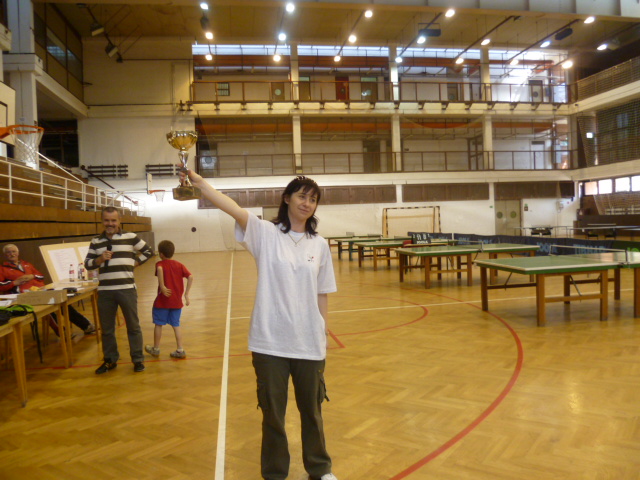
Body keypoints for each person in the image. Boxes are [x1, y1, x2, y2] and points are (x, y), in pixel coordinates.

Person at [179, 168, 338, 480]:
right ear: (287, 199)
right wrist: (200, 184)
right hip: (269, 342)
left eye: (313, 199)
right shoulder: (265, 234)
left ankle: (320, 469)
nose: (307, 203)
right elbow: (232, 208)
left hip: (309, 342)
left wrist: (324, 331)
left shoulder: (319, 245)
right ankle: (275, 473)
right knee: (273, 414)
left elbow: (322, 293)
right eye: (302, 196)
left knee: (312, 411)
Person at [84, 207, 153, 374]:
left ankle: (137, 359)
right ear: (102, 221)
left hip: (127, 289)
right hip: (105, 292)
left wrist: (134, 263)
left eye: (113, 220)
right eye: (107, 220)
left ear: (119, 221)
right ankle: (110, 360)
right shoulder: (96, 241)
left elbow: (148, 251)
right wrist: (99, 259)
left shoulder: (130, 237)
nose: (110, 224)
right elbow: (87, 264)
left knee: (133, 327)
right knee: (107, 329)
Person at [0, 244, 96, 336]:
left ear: (18, 253)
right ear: (5, 254)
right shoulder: (2, 269)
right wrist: (14, 283)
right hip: (23, 296)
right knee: (48, 309)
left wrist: (32, 276)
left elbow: (41, 276)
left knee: (62, 302)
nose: (12, 254)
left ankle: (87, 326)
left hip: (40, 290)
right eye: (9, 252)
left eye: (14, 251)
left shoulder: (26, 264)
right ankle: (62, 333)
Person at [145, 239, 193, 359]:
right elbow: (190, 277)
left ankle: (156, 348)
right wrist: (186, 294)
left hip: (162, 301)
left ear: (161, 254)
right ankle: (180, 349)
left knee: (158, 324)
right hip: (176, 302)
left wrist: (162, 286)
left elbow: (160, 269)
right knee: (176, 325)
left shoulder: (160, 264)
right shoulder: (179, 265)